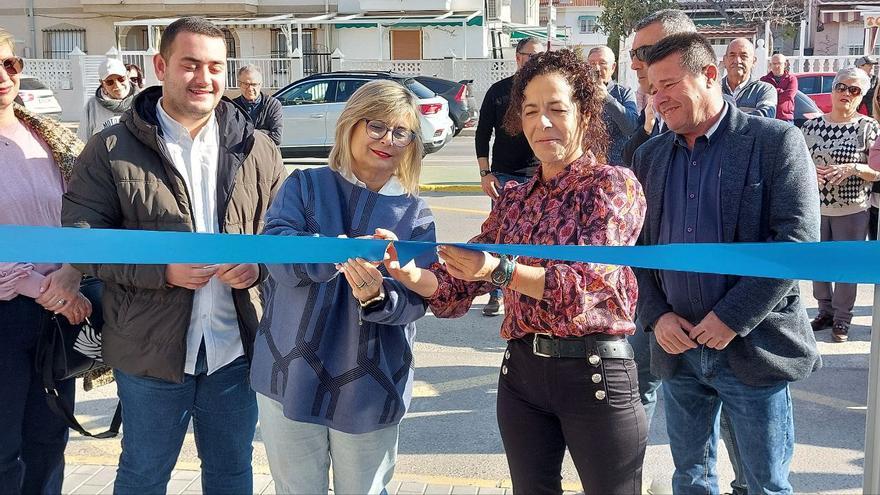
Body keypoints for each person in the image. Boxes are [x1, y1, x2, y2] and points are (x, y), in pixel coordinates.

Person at [385, 49, 648, 494]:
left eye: (556, 109)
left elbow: (585, 285)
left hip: (595, 373)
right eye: (530, 111)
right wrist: (410, 273)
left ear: (585, 112)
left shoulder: (612, 184)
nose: (541, 123)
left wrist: (502, 271)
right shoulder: (516, 197)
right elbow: (457, 284)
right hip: (522, 375)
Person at [61, 17, 286, 494]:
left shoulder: (258, 147)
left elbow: (283, 232)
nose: (204, 79)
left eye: (214, 67)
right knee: (144, 474)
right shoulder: (110, 148)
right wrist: (162, 270)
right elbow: (80, 240)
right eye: (190, 65)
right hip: (148, 351)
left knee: (231, 472)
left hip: (236, 350)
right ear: (161, 66)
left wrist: (259, 266)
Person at [633, 32, 821, 494]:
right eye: (651, 88)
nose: (657, 99)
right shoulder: (649, 156)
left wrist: (731, 318)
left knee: (764, 484)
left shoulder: (775, 141)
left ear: (711, 75)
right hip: (678, 351)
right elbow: (635, 249)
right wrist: (657, 318)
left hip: (753, 348)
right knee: (691, 480)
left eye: (668, 85)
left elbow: (795, 241)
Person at [250, 80, 436, 495]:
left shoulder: (415, 212)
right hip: (289, 372)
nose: (388, 140)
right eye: (377, 126)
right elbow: (277, 256)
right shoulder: (304, 185)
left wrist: (378, 296)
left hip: (370, 382)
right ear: (351, 124)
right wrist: (335, 254)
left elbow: (420, 298)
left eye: (401, 132)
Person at [0, 27, 92, 495]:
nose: (3, 76)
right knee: (2, 450)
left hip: (57, 307)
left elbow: (80, 213)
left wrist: (70, 277)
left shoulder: (45, 132)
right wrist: (41, 287)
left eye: (9, 64)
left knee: (49, 439)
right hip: (10, 308)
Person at [621, 8, 696, 432]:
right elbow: (638, 239)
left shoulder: (753, 133)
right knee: (638, 390)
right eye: (634, 54)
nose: (635, 63)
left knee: (736, 432)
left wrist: (729, 318)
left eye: (644, 52)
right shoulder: (648, 130)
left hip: (725, 323)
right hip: (655, 309)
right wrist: (656, 311)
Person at [801, 67, 880, 342]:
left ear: (862, 96)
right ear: (833, 90)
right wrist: (811, 172)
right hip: (815, 208)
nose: (846, 93)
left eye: (854, 90)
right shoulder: (810, 126)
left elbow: (877, 171)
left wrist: (853, 168)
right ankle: (824, 311)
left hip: (853, 209)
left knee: (847, 265)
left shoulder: (868, 127)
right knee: (817, 263)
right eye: (841, 87)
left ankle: (843, 318)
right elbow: (797, 164)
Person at [475, 36, 542, 317]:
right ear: (518, 58)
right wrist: (485, 173)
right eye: (531, 56)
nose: (536, 62)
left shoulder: (545, 92)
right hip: (503, 177)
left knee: (538, 239)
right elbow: (482, 134)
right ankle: (497, 294)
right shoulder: (499, 91)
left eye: (541, 57)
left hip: (539, 176)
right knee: (502, 236)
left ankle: (532, 294)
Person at [587, 46, 638, 166]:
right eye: (592, 63)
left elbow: (631, 128)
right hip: (586, 167)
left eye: (602, 63)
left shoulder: (624, 93)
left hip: (617, 167)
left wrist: (607, 98)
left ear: (613, 67)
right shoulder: (578, 94)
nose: (596, 68)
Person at [77, 57, 137, 140]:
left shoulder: (141, 101)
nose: (117, 86)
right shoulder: (92, 106)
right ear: (102, 83)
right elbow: (82, 141)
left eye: (121, 79)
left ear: (127, 76)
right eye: (110, 82)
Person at [722, 38, 777, 118]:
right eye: (732, 55)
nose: (737, 60)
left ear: (753, 61)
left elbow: (764, 120)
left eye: (743, 56)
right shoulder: (713, 90)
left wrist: (724, 120)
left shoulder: (764, 90)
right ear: (725, 60)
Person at [231, 65, 282, 145]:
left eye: (254, 84)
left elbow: (276, 137)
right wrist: (264, 132)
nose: (250, 88)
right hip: (239, 156)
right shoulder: (232, 106)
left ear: (260, 84)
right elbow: (230, 137)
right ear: (239, 84)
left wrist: (244, 134)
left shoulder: (272, 105)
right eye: (246, 84)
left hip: (266, 154)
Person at [760, 53, 798, 123]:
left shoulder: (792, 79)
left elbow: (789, 95)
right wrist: (781, 91)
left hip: (785, 118)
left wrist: (771, 92)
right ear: (770, 65)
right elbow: (762, 97)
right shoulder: (764, 80)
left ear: (785, 64)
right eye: (774, 64)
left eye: (779, 63)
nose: (776, 66)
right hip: (768, 118)